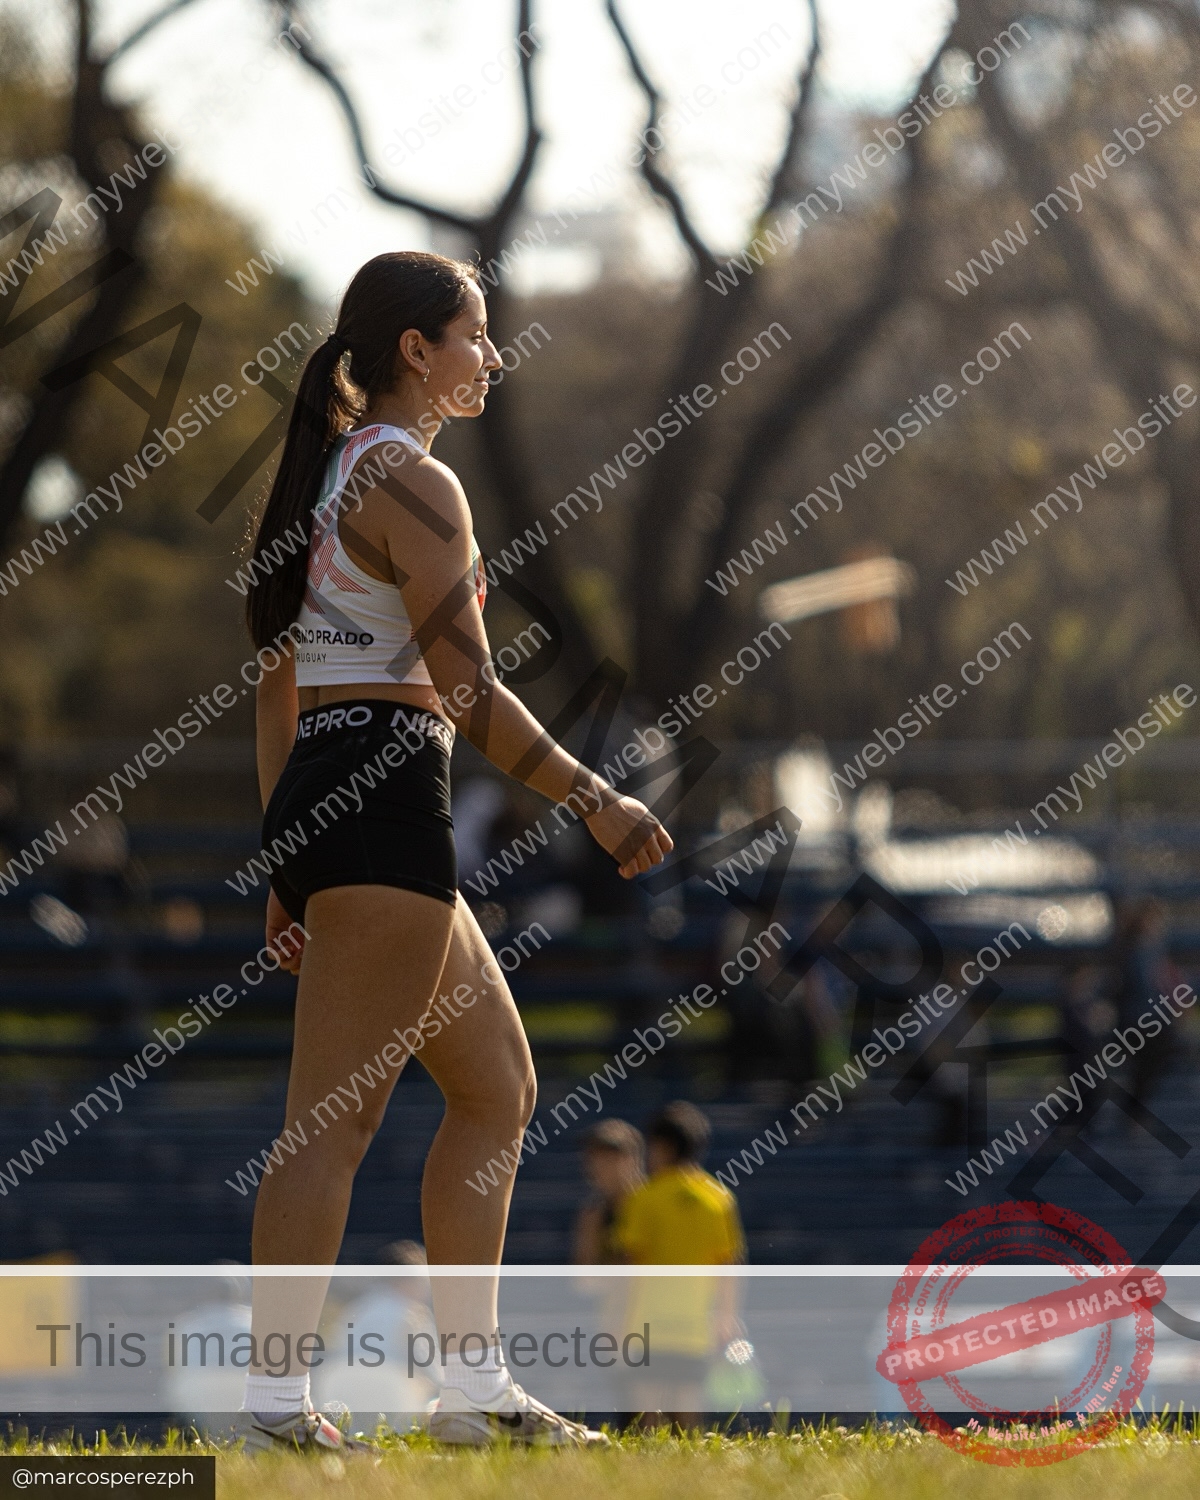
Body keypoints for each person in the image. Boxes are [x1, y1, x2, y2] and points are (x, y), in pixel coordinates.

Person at [238, 250, 673, 1455]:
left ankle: (471, 1392)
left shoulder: (320, 481)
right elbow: (467, 688)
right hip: (384, 791)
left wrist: (288, 856)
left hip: (340, 790)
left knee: (498, 1090)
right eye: (476, 333)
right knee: (332, 1122)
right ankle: (278, 1404)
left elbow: (278, 701)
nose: (492, 354)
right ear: (416, 350)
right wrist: (593, 796)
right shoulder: (418, 484)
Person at [613, 1101, 745, 1428]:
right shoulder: (719, 1199)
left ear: (663, 1147)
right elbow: (729, 1266)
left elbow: (630, 1264)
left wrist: (616, 1322)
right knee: (688, 1412)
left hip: (647, 1325)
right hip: (695, 1327)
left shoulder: (643, 1199)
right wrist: (727, 1318)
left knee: (647, 1414)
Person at [573, 1119, 645, 1266]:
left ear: (633, 1160)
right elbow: (584, 1278)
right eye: (593, 1156)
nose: (597, 1165)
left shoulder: (654, 1205)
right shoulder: (593, 1214)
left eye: (608, 1157)